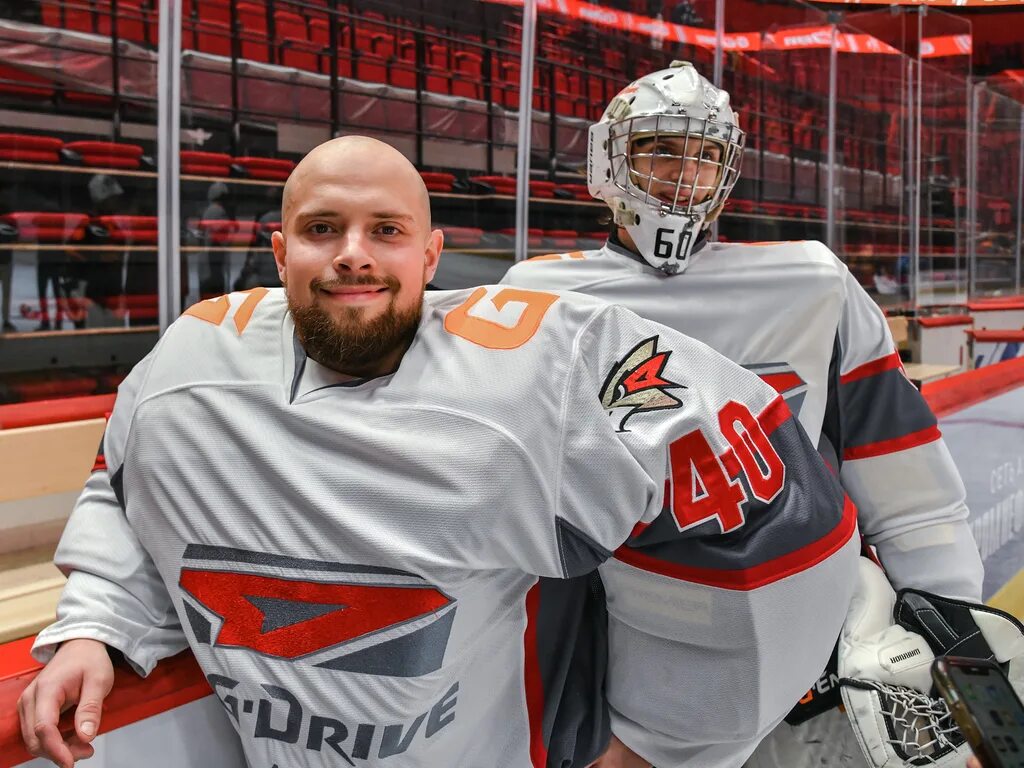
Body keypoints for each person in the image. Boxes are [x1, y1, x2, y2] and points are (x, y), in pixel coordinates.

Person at [19, 136, 859, 768]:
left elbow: (778, 523)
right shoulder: (189, 366)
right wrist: (99, 626)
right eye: (322, 229)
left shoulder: (551, 367)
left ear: (430, 257)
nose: (353, 252)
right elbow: (127, 488)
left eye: (384, 230)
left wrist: (658, 747)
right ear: (280, 255)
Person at [501, 61, 985, 768]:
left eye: (705, 155)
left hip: (805, 653)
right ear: (610, 160)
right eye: (660, 149)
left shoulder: (814, 284)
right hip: (623, 652)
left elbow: (907, 478)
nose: (683, 173)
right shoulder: (539, 301)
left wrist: (953, 632)